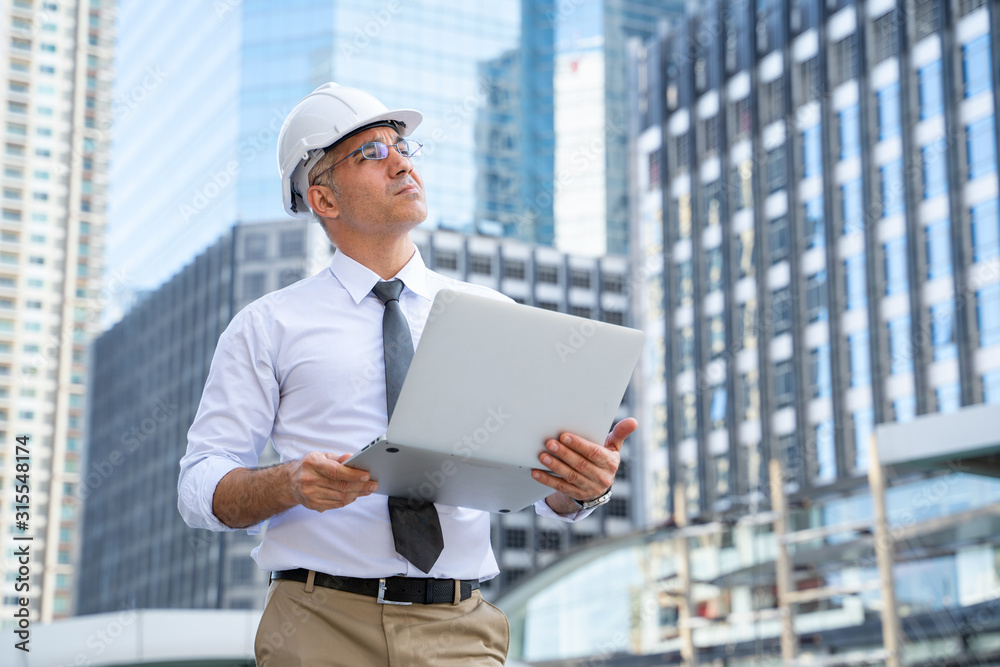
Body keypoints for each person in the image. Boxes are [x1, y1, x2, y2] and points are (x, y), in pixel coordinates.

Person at [177, 82, 637, 666]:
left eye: (402, 147)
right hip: (317, 627)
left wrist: (582, 486)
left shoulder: (493, 314)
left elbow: (539, 491)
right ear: (324, 200)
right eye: (370, 153)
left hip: (460, 630)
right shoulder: (267, 325)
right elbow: (199, 488)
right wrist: (288, 482)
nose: (399, 163)